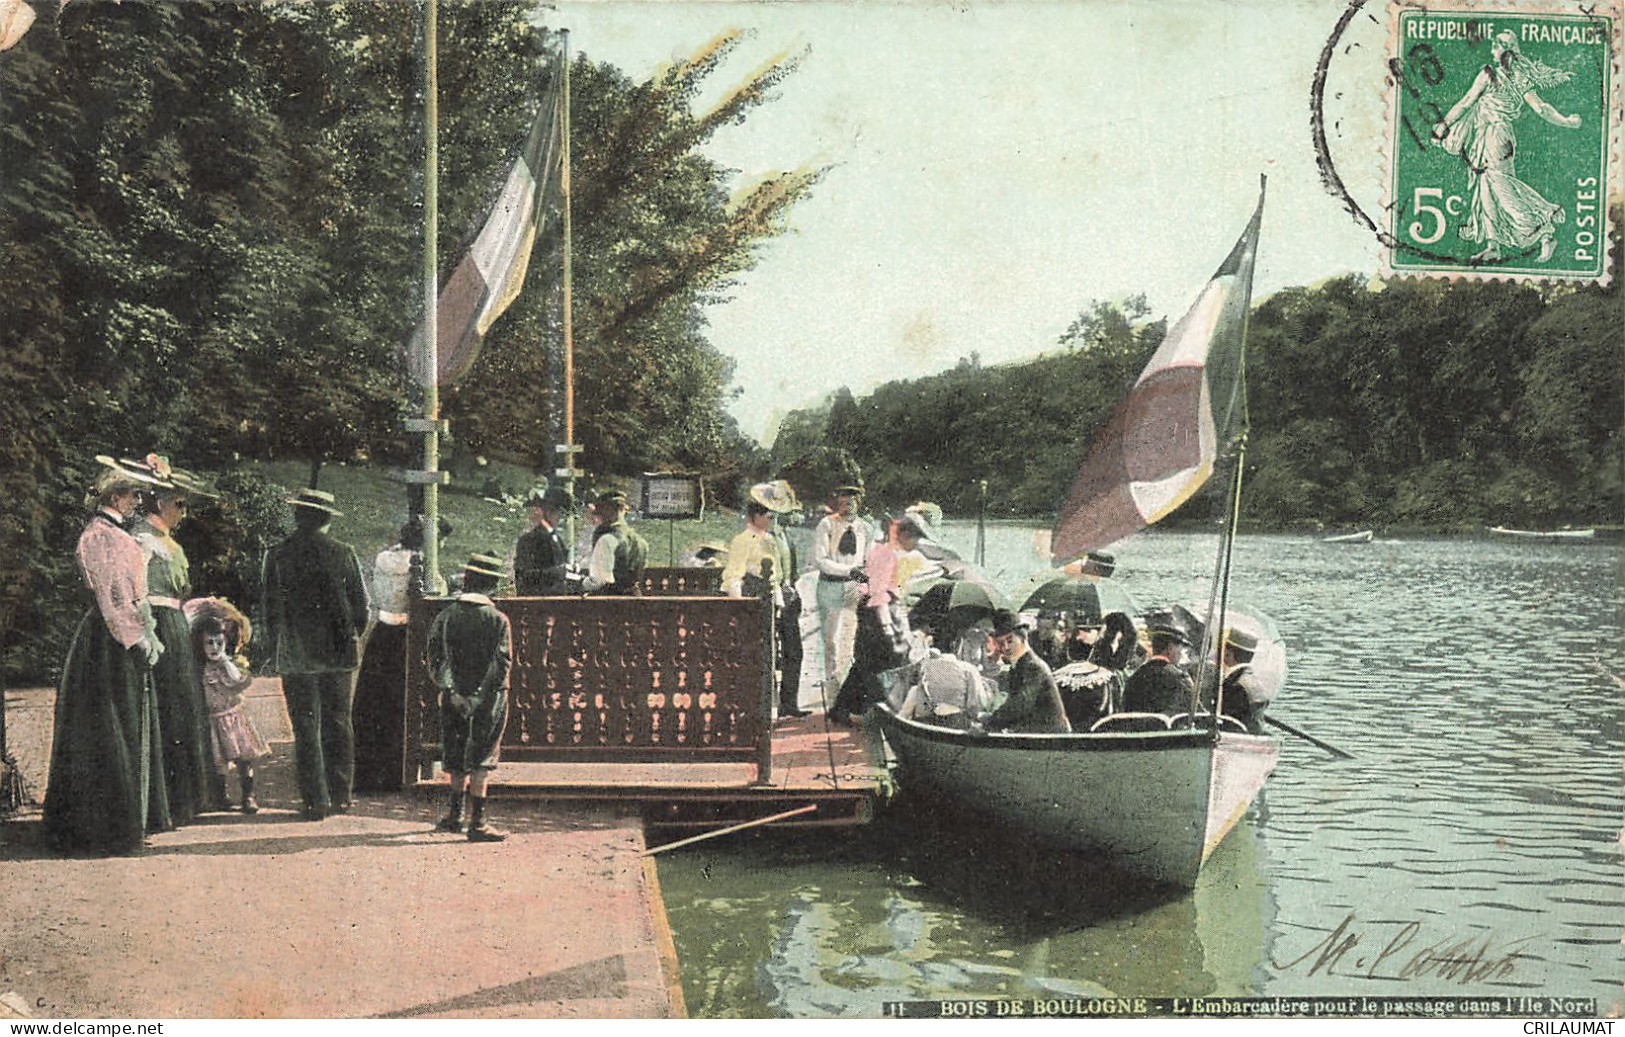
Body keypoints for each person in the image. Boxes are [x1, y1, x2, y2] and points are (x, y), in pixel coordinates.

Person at [43, 457, 170, 854]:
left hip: (111, 635)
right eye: (133, 495)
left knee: (120, 723)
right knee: (109, 725)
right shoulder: (104, 537)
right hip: (108, 640)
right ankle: (106, 827)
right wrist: (139, 638)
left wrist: (146, 631)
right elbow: (114, 599)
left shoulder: (112, 535)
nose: (137, 502)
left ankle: (122, 820)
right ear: (115, 496)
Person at [260, 488, 369, 821]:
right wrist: (351, 635)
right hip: (337, 653)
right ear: (326, 519)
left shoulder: (276, 555)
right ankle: (341, 795)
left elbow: (269, 609)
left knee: (305, 727)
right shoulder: (344, 553)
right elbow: (361, 607)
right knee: (338, 722)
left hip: (296, 654)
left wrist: (274, 646)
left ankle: (315, 800)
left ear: (298, 516)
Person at [1432, 29, 1582, 264]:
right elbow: (1541, 108)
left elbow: (1465, 102)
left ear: (1505, 49)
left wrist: (1444, 124)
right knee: (1486, 190)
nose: (1492, 46)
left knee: (1502, 188)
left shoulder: (1489, 74)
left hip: (1493, 136)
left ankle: (1544, 228)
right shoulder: (1520, 79)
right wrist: (1567, 122)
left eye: (1496, 43)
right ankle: (1493, 246)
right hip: (1499, 137)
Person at [128, 465, 213, 824]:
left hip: (173, 623)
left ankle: (182, 800)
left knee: (179, 706)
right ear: (162, 503)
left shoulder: (160, 539)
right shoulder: (146, 540)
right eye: (179, 503)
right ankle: (170, 802)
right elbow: (141, 590)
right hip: (161, 624)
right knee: (170, 706)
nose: (183, 512)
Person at [429, 554, 513, 842]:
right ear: (492, 586)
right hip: (489, 700)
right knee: (482, 756)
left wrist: (452, 691)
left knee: (454, 751)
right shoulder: (499, 620)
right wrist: (478, 696)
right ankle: (477, 822)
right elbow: (500, 664)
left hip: (452, 698)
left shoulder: (446, 616)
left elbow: (436, 658)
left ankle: (454, 815)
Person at [351, 517, 430, 794]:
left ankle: (367, 772)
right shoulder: (421, 563)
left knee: (373, 700)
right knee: (400, 700)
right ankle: (395, 773)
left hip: (383, 630)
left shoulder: (384, 558)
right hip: (406, 633)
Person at [722, 481, 807, 720]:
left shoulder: (781, 535)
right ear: (754, 515)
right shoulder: (747, 539)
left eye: (774, 511)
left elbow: (788, 566)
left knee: (794, 651)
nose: (772, 516)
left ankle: (789, 704)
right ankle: (763, 708)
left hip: (786, 598)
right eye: (766, 512)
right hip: (762, 598)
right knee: (764, 654)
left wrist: (791, 585)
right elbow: (734, 575)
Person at [829, 513, 923, 726]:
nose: (917, 543)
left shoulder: (886, 551)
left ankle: (843, 709)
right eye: (915, 538)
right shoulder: (887, 554)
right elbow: (878, 595)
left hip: (872, 611)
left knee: (866, 663)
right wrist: (888, 630)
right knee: (879, 663)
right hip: (875, 614)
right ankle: (876, 712)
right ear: (905, 534)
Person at [190, 604, 268, 813]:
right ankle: (220, 796)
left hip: (233, 718)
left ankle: (248, 795)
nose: (215, 648)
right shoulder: (200, 668)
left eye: (219, 643)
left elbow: (236, 682)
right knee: (218, 762)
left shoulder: (228, 664)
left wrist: (232, 669)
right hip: (214, 719)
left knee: (244, 758)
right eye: (209, 643)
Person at [811, 485, 870, 693]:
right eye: (843, 501)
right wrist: (849, 570)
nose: (847, 505)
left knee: (850, 637)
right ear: (837, 503)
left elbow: (866, 558)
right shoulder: (826, 525)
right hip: (830, 585)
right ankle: (831, 687)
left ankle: (847, 689)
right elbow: (821, 560)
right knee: (831, 640)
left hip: (854, 587)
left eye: (852, 501)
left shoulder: (864, 528)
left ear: (859, 503)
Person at [979, 609, 1071, 734]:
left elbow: (1020, 705)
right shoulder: (1018, 666)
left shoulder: (1033, 667)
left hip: (1052, 739)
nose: (1005, 647)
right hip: (1034, 734)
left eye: (1010, 641)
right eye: (1001, 643)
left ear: (1023, 637)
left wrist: (988, 721)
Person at [1121, 609, 1197, 715]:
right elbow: (1196, 712)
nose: (1181, 654)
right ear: (1170, 648)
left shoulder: (1134, 678)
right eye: (1180, 648)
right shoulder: (1180, 678)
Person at [583, 490, 648, 595]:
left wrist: (582, 583)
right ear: (623, 510)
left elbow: (599, 581)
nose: (597, 519)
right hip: (635, 599)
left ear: (607, 511)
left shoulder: (606, 539)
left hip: (611, 602)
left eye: (599, 514)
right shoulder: (641, 542)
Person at [513, 486, 574, 595]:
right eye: (560, 513)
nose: (563, 519)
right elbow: (524, 576)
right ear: (547, 512)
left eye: (565, 515)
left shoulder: (557, 539)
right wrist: (558, 572)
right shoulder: (529, 540)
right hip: (537, 601)